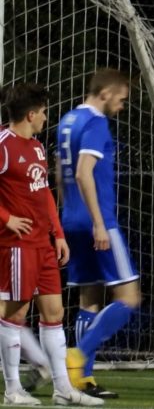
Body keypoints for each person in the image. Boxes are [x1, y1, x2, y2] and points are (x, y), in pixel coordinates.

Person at [0, 83, 103, 406]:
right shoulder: (3, 145)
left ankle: (63, 389)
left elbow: (44, 192)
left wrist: (57, 234)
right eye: (44, 112)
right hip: (17, 245)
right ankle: (12, 390)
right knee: (16, 314)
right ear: (31, 114)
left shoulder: (36, 147)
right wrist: (7, 218)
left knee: (55, 312)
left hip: (42, 244)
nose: (47, 117)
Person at [57, 69, 141, 399]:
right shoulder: (95, 122)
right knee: (129, 297)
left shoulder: (67, 120)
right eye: (121, 99)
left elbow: (59, 170)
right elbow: (82, 173)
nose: (122, 106)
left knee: (89, 298)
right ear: (105, 93)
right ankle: (77, 356)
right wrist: (97, 222)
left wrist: (69, 213)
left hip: (70, 220)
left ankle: (82, 380)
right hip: (98, 221)